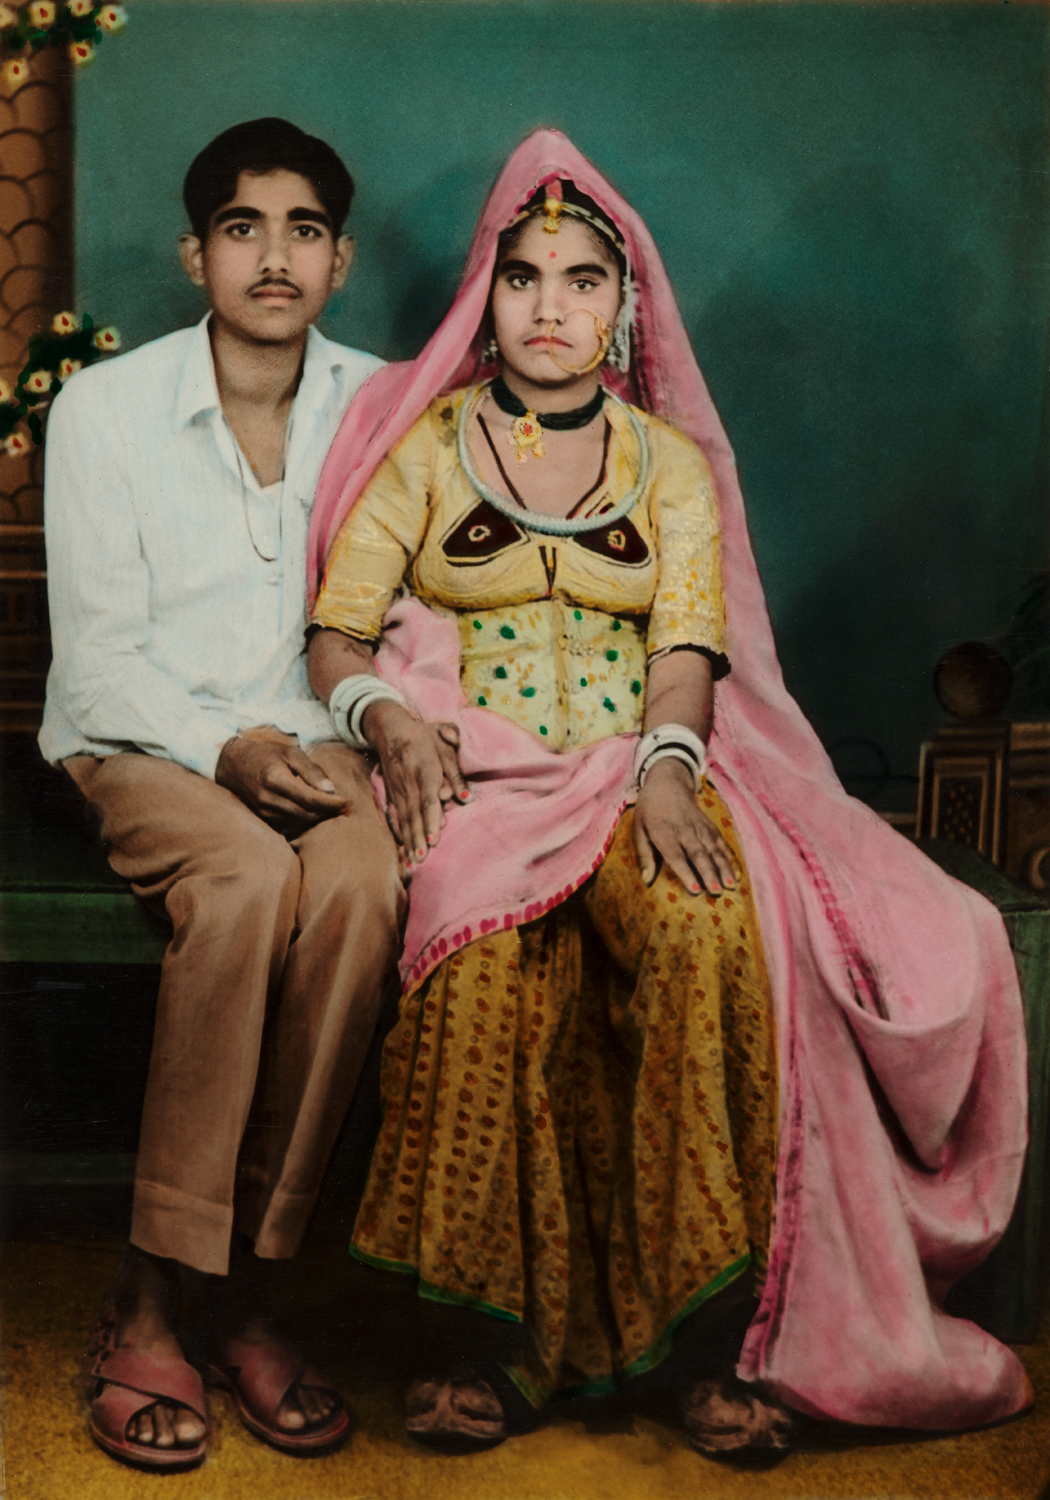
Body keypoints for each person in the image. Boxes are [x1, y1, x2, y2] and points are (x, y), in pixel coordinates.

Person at [307, 131, 1032, 1458]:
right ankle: (490, 1351)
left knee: (708, 938)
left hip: (638, 774)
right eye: (522, 278)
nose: (549, 307)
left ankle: (706, 1351)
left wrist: (669, 777)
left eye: (582, 281)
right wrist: (389, 721)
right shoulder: (425, 451)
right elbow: (337, 634)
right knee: (478, 967)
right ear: (486, 295)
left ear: (625, 305)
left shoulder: (669, 464)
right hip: (477, 784)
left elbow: (687, 651)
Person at [40, 118, 403, 1471]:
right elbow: (100, 660)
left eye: (305, 230)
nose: (275, 257)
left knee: (363, 891)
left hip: (324, 740)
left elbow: (405, 613)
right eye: (243, 228)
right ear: (196, 255)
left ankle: (253, 1290)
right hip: (143, 740)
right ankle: (149, 1293)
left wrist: (350, 736)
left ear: (341, 260)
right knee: (248, 883)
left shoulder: (386, 405)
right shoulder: (105, 408)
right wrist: (228, 750)